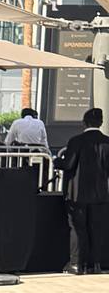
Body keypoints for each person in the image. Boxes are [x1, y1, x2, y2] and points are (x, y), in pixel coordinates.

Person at [56, 107, 109, 274]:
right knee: (97, 229)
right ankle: (96, 264)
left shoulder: (76, 141)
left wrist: (57, 161)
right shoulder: (107, 142)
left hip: (77, 193)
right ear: (101, 123)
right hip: (100, 193)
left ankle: (77, 264)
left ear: (84, 122)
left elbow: (69, 164)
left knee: (78, 228)